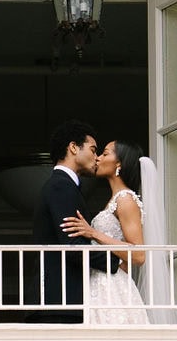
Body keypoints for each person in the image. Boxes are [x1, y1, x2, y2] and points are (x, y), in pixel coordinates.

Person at [30, 120, 118, 322]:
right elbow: (73, 246)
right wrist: (116, 261)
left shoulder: (66, 186)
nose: (97, 158)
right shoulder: (61, 186)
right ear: (73, 147)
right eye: (93, 149)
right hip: (58, 302)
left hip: (61, 302)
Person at [60, 137, 150, 323]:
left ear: (119, 163)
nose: (98, 158)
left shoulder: (125, 199)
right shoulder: (114, 200)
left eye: (105, 153)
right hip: (99, 283)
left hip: (113, 287)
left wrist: (93, 233)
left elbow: (139, 255)